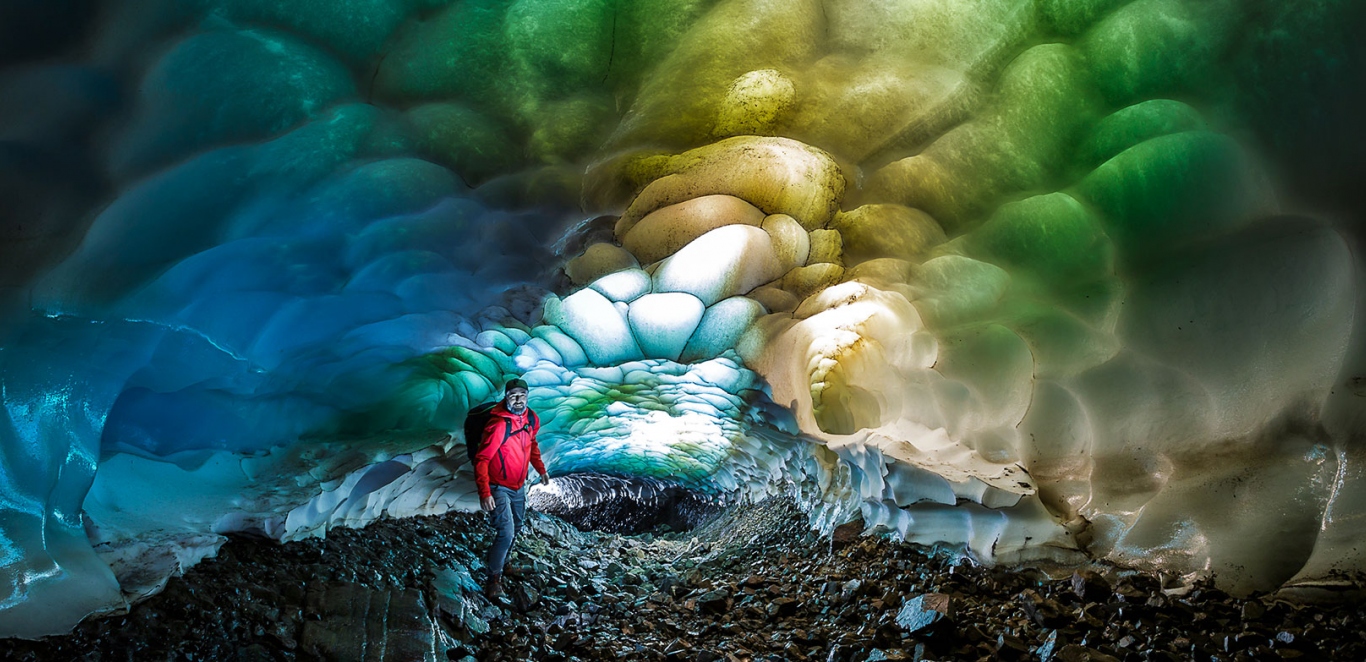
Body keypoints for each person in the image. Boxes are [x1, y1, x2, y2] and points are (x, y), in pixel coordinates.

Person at [474, 378, 551, 598]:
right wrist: (485, 492)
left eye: (522, 395)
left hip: (519, 486)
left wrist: (541, 469)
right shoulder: (499, 425)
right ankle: (493, 579)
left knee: (516, 527)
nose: (518, 400)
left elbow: (532, 445)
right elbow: (482, 459)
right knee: (506, 533)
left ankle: (503, 562)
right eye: (513, 396)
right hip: (499, 487)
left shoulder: (530, 420)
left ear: (527, 396)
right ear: (506, 397)